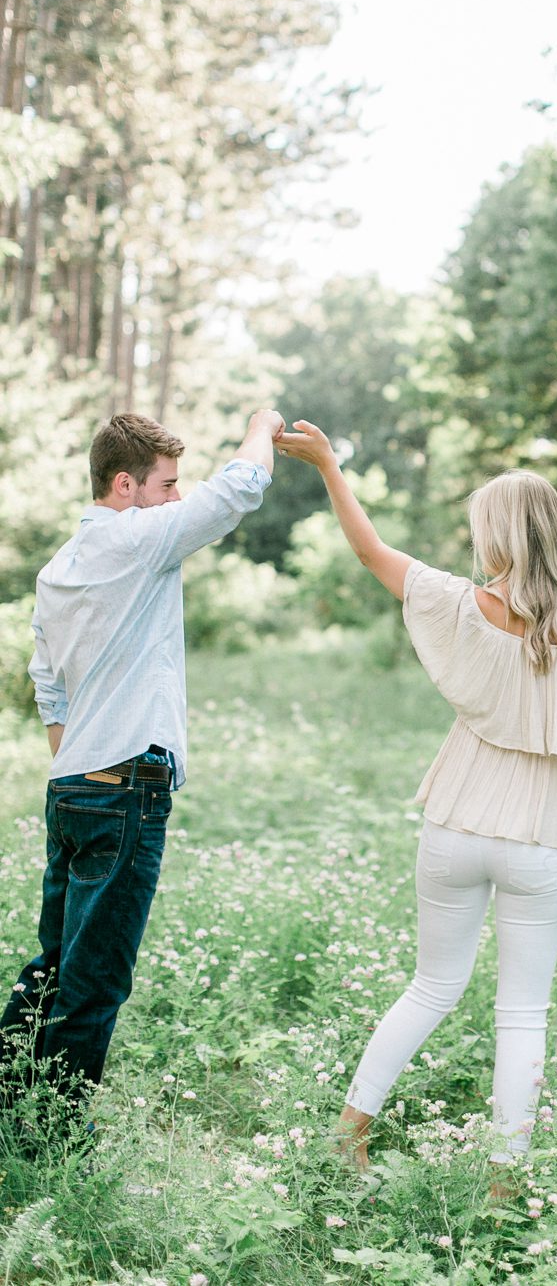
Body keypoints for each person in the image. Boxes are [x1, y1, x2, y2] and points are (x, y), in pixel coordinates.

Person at [275, 419, 557, 1183]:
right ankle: (505, 1182)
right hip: (540, 834)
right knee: (523, 1012)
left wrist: (330, 466)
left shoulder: (464, 604)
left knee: (431, 986)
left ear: (501, 533)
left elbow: (371, 551)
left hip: (454, 820)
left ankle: (350, 1132)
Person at [0, 407, 285, 1130]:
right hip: (125, 785)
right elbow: (240, 487)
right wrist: (263, 421)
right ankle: (55, 1138)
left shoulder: (58, 567)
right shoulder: (135, 541)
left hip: (72, 786)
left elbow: (48, 683)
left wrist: (82, 755)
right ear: (124, 485)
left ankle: (9, 1100)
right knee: (94, 980)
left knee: (56, 963)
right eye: (167, 483)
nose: (177, 498)